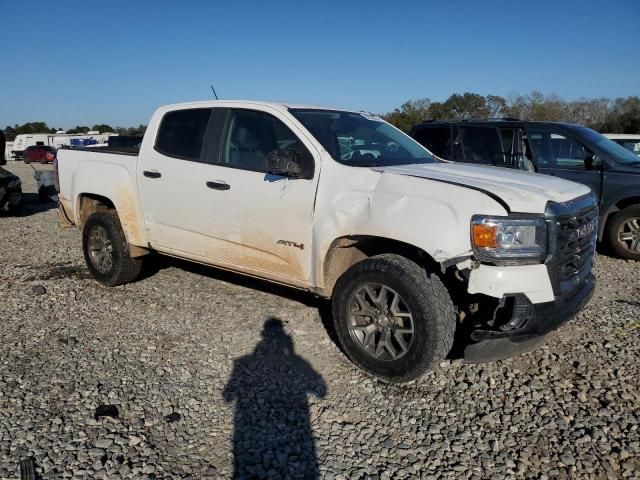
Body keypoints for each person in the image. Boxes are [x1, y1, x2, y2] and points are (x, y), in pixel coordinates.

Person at [223, 318, 327, 479]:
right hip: (295, 425)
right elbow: (320, 390)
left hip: (252, 428)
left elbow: (227, 395)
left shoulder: (244, 363)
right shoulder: (297, 362)